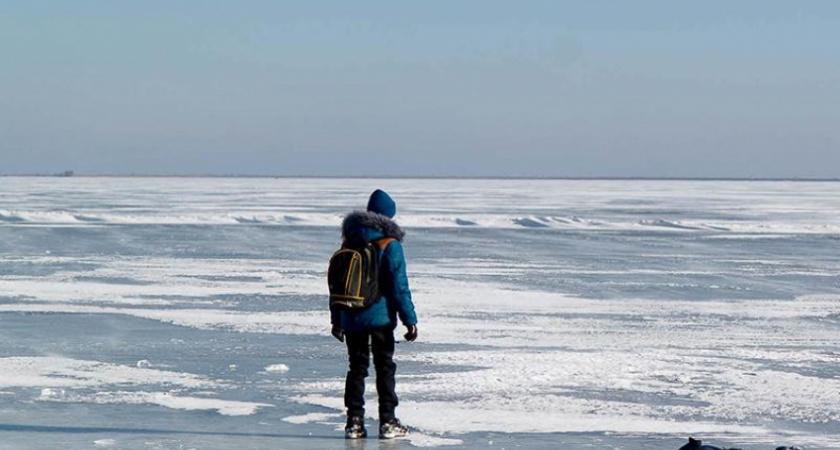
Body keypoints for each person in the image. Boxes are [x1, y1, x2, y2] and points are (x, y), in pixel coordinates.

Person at [330, 189, 418, 439]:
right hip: (380, 318)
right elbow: (399, 287)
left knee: (356, 368)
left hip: (351, 316)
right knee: (384, 367)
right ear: (390, 216)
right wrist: (410, 320)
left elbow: (337, 285)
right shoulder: (390, 244)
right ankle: (388, 422)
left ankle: (354, 423)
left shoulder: (350, 240)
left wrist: (337, 320)